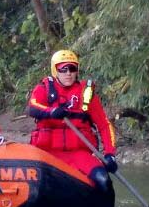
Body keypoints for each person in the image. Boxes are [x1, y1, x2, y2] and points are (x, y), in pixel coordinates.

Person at [27, 49, 118, 188]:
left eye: (72, 68)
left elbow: (104, 125)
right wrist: (51, 112)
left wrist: (110, 154)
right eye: (63, 69)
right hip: (48, 153)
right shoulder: (43, 89)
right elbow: (32, 107)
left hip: (79, 154)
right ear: (55, 70)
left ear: (77, 71)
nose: (68, 73)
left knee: (103, 180)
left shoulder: (86, 94)